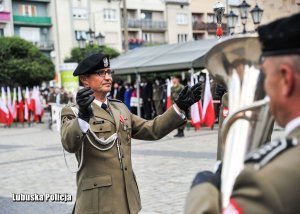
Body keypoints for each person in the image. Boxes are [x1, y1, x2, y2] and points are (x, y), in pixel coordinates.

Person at [185, 13, 300, 214]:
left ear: (285, 79)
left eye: (265, 75)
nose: (263, 86)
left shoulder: (266, 178)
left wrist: (201, 190)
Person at [60, 53, 202, 214]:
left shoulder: (119, 108)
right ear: (85, 79)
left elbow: (151, 129)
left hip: (127, 198)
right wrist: (83, 116)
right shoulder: (72, 111)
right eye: (101, 73)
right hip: (98, 202)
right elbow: (69, 144)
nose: (108, 77)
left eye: (109, 72)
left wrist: (179, 107)